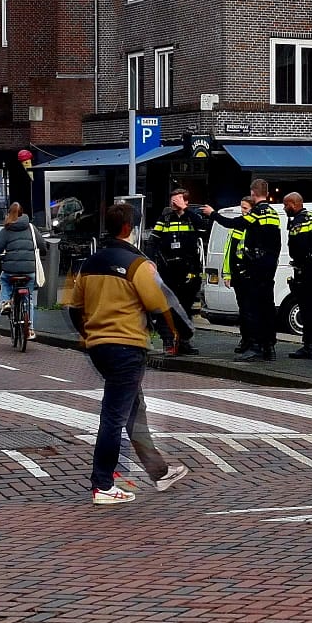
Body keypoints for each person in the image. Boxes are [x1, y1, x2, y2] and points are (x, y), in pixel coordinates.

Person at [63, 202, 191, 505]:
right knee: (114, 416)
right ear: (129, 229)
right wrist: (174, 336)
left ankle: (159, 471)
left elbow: (74, 308)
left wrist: (89, 335)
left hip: (99, 348)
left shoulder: (91, 263)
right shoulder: (138, 265)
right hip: (127, 346)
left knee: (134, 408)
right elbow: (160, 305)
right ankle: (103, 485)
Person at [220, 177, 283, 361]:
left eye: (245, 208)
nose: (244, 212)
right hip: (265, 268)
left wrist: (213, 214)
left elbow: (235, 226)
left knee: (254, 309)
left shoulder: (256, 215)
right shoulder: (272, 214)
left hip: (254, 269)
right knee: (263, 307)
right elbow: (276, 242)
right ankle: (265, 346)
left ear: (253, 194)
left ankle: (256, 346)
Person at [149, 188, 213, 353]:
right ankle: (169, 342)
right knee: (168, 307)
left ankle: (184, 342)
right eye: (172, 199)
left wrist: (186, 211)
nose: (173, 202)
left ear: (186, 202)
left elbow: (206, 229)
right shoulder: (165, 218)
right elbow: (153, 241)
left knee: (185, 308)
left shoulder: (192, 218)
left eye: (177, 199)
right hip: (168, 270)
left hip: (188, 271)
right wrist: (150, 262)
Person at [283, 192, 312, 360]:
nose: (284, 208)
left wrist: (299, 264)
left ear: (294, 204)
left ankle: (309, 347)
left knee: (307, 307)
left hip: (308, 267)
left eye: (286, 204)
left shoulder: (299, 221)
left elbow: (298, 246)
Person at [0, 202, 39, 314]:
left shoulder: (6, 230)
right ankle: (31, 329)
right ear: (22, 213)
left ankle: (6, 302)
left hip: (11, 270)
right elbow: (42, 245)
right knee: (29, 300)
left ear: (9, 214)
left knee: (4, 279)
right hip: (29, 270)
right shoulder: (31, 228)